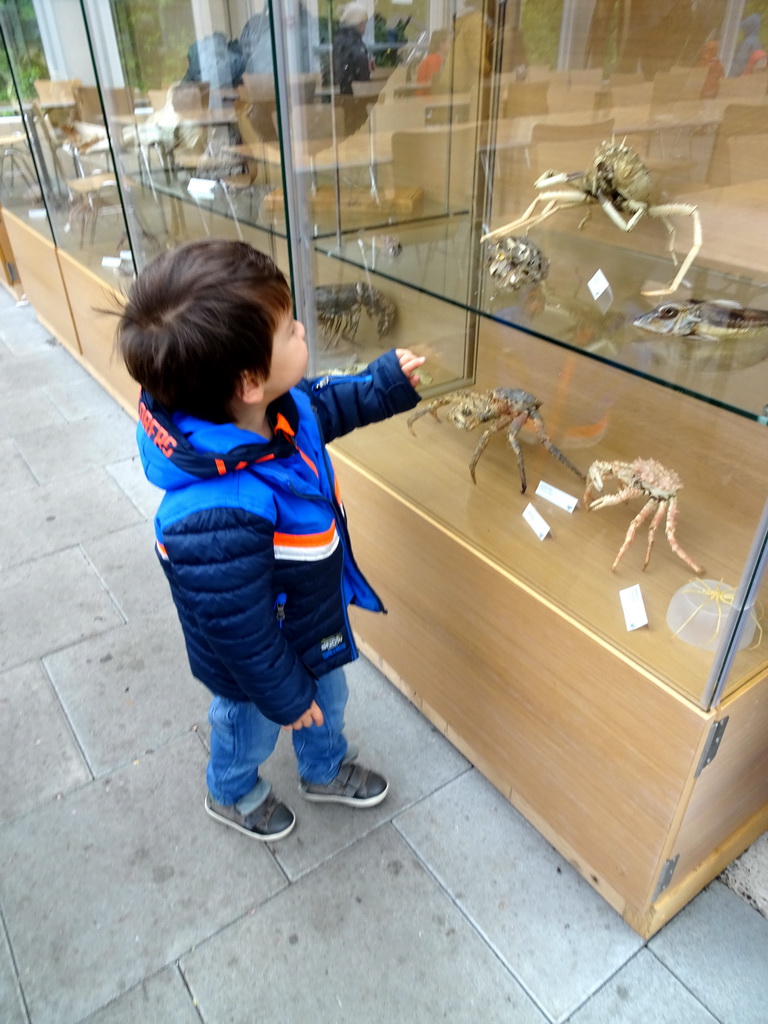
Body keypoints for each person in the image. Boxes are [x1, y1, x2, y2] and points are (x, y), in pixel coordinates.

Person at [116, 240, 425, 842]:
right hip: (250, 663)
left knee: (327, 699)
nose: (301, 329)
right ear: (250, 381)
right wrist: (281, 693)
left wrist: (385, 384)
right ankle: (229, 789)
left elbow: (328, 406)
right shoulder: (215, 516)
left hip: (307, 617)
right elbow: (238, 627)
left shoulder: (281, 409)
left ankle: (323, 767)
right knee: (249, 724)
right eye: (287, 329)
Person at [333, 2, 374, 94]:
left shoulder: (339, 40)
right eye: (364, 23)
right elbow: (362, 76)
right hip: (356, 96)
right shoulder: (356, 44)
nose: (365, 27)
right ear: (358, 24)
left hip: (343, 94)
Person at [415, 29, 450, 94]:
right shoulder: (434, 60)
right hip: (428, 100)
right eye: (449, 42)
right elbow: (434, 86)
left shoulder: (437, 59)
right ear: (441, 44)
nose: (451, 45)